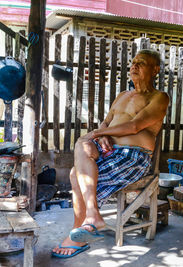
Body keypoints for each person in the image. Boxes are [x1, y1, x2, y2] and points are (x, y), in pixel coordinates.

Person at [52, 49, 169, 258]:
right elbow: (107, 122)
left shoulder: (159, 97)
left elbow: (134, 126)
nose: (134, 66)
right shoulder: (122, 96)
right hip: (109, 152)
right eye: (133, 62)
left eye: (141, 63)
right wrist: (102, 135)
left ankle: (78, 234)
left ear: (155, 70)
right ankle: (92, 216)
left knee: (74, 175)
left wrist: (98, 133)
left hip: (133, 156)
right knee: (82, 144)